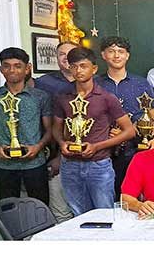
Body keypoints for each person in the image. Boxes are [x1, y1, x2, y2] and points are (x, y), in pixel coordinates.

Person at [52, 47, 136, 215]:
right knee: (78, 215)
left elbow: (129, 132)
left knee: (104, 215)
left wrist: (98, 146)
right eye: (74, 66)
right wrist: (62, 143)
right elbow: (56, 127)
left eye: (83, 66)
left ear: (94, 68)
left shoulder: (106, 98)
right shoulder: (62, 96)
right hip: (70, 165)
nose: (78, 70)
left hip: (99, 165)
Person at [0, 47, 53, 204]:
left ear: (27, 68)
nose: (12, 70)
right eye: (6, 66)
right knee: (8, 211)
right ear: (1, 69)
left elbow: (49, 131)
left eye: (17, 65)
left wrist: (38, 147)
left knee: (40, 208)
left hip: (34, 163)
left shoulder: (40, 97)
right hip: (4, 165)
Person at [97, 36, 154, 199]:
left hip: (135, 148)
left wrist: (150, 134)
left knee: (134, 196)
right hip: (104, 149)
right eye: (111, 51)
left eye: (121, 52)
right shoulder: (96, 84)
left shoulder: (140, 83)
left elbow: (151, 114)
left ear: (127, 55)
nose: (116, 56)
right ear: (103, 55)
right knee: (108, 197)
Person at [34, 40, 78, 221]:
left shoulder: (93, 82)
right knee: (60, 210)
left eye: (72, 53)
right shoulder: (43, 83)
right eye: (62, 54)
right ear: (56, 58)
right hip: (55, 152)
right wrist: (58, 155)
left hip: (91, 154)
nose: (67, 57)